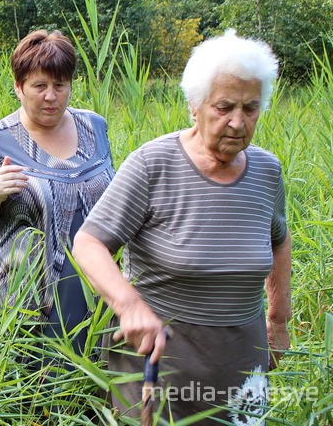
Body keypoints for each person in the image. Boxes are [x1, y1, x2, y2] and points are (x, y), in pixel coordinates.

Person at [71, 30, 291, 424]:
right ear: (195, 105)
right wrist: (128, 305)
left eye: (251, 108)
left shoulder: (267, 170)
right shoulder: (153, 164)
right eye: (224, 107)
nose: (238, 122)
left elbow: (278, 238)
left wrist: (279, 319)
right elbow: (89, 242)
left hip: (242, 355)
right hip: (161, 356)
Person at [0, 30, 115, 370]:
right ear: (18, 86)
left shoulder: (94, 128)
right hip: (20, 304)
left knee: (86, 393)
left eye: (60, 85)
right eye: (39, 86)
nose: (51, 96)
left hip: (93, 295)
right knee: (25, 400)